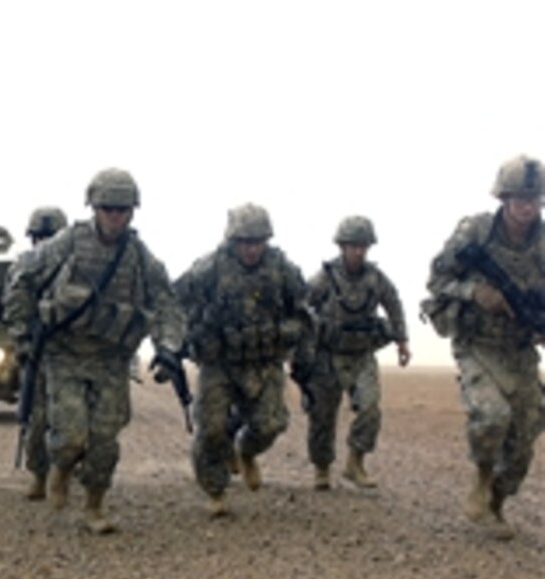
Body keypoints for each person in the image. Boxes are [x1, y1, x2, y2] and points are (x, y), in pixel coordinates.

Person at [5, 169, 183, 534]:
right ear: (94, 207)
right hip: (66, 354)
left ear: (133, 211)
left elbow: (166, 302)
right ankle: (61, 466)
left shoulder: (138, 256)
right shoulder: (67, 243)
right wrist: (22, 334)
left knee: (105, 438)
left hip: (111, 359)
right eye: (108, 208)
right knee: (70, 434)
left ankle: (94, 504)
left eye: (123, 209)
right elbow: (21, 279)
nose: (115, 216)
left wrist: (168, 347)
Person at [422, 154, 544, 539]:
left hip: (520, 349)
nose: (526, 207)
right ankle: (481, 475)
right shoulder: (474, 233)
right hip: (478, 344)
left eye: (534, 199)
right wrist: (474, 291)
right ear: (503, 199)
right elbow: (436, 281)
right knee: (491, 416)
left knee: (525, 439)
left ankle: (495, 501)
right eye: (519, 199)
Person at [173, 204, 313, 516]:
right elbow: (174, 300)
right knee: (211, 428)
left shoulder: (282, 270)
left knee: (271, 424)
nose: (251, 249)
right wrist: (177, 341)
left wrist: (302, 352)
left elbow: (304, 312)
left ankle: (245, 451)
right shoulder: (209, 268)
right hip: (219, 363)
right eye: (245, 242)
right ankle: (215, 490)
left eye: (258, 241)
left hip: (265, 363)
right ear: (232, 240)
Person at [305, 216, 411, 490]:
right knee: (323, 415)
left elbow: (393, 303)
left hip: (361, 356)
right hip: (328, 356)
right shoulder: (324, 278)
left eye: (363, 245)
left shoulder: (376, 279)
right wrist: (299, 348)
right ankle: (322, 468)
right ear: (342, 246)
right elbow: (302, 309)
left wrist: (402, 340)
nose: (359, 251)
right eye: (353, 245)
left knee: (370, 408)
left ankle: (355, 463)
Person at [10, 206, 68, 499]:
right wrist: (22, 342)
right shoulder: (23, 265)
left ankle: (67, 470)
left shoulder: (77, 265)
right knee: (37, 416)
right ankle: (39, 474)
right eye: (40, 236)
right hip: (37, 351)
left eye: (51, 236)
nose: (44, 242)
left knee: (72, 417)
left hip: (72, 352)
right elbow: (15, 307)